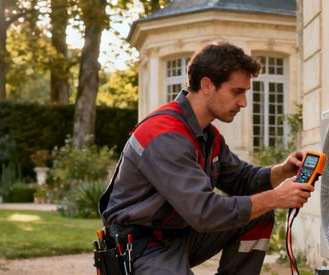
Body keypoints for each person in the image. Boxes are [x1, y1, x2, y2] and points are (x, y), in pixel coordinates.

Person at [98, 42, 314, 274]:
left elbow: (241, 179)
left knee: (258, 216)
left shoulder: (207, 135)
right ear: (207, 85)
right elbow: (204, 212)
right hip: (141, 246)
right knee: (261, 206)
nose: (243, 102)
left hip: (179, 235)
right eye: (237, 91)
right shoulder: (164, 135)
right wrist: (274, 198)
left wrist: (283, 170)